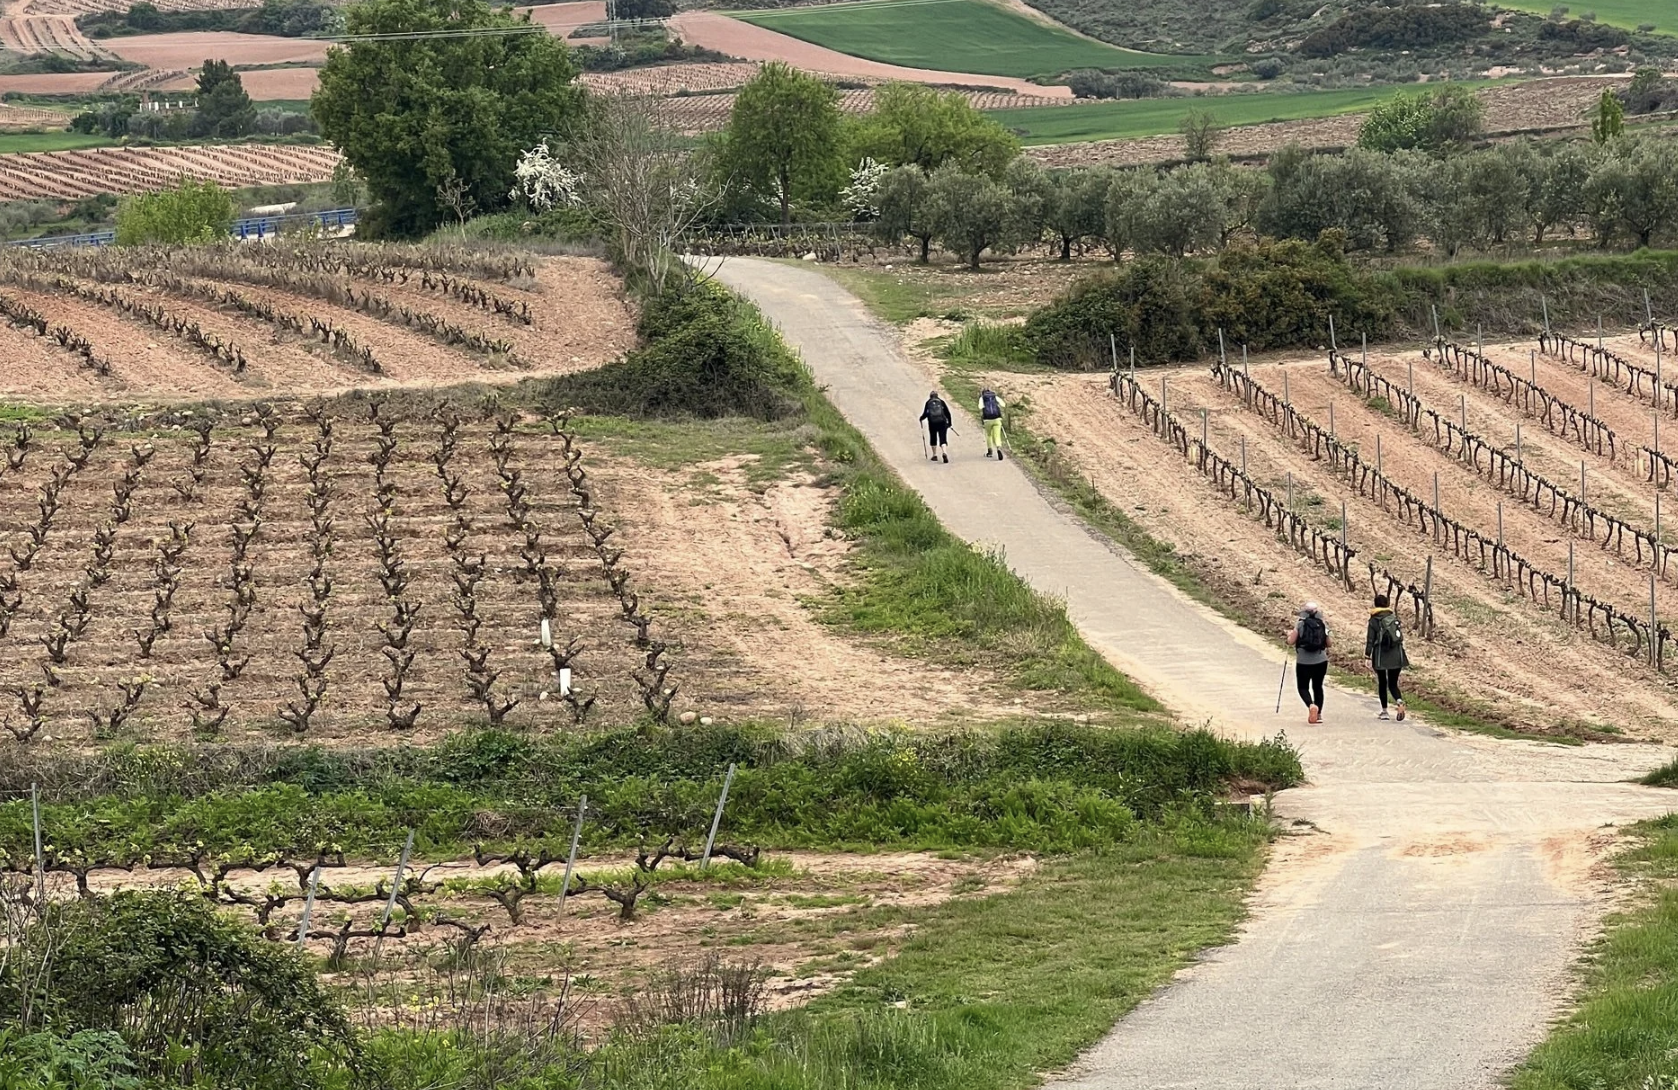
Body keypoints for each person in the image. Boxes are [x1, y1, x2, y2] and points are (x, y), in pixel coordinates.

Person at [1365, 593, 1409, 721]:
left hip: (1380, 655)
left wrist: (1367, 656)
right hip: (1396, 654)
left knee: (1382, 683)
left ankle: (1384, 711)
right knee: (1393, 683)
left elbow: (1370, 639)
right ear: (1387, 604)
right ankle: (1399, 702)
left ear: (1375, 604)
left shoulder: (1374, 620)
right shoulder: (1393, 617)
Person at [1286, 600, 1330, 724]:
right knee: (1318, 687)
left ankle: (1311, 705)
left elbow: (1291, 641)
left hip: (1303, 662)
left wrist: (1288, 636)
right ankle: (1319, 714)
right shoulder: (1322, 624)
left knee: (1303, 687)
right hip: (1321, 661)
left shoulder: (1300, 624)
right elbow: (1329, 643)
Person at [920, 390, 951, 463]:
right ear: (937, 395)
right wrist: (949, 423)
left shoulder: (928, 403)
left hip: (932, 423)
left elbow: (925, 414)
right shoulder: (941, 402)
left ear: (930, 396)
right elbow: (947, 413)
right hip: (942, 422)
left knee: (933, 437)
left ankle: (934, 455)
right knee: (942, 438)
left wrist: (921, 418)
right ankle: (944, 452)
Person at [980, 388, 1006, 460]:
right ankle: (998, 447)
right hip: (997, 419)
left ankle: (990, 451)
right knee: (997, 435)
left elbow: (980, 407)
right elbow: (1003, 404)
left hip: (987, 420)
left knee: (989, 435)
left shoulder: (982, 398)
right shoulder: (995, 397)